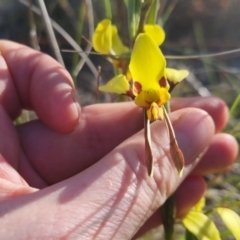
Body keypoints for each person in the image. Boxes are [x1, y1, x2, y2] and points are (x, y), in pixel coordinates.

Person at [0, 40, 238, 239]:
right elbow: (159, 77)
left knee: (173, 148)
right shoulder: (149, 86)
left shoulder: (163, 85)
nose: (153, 106)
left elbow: (175, 74)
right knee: (155, 157)